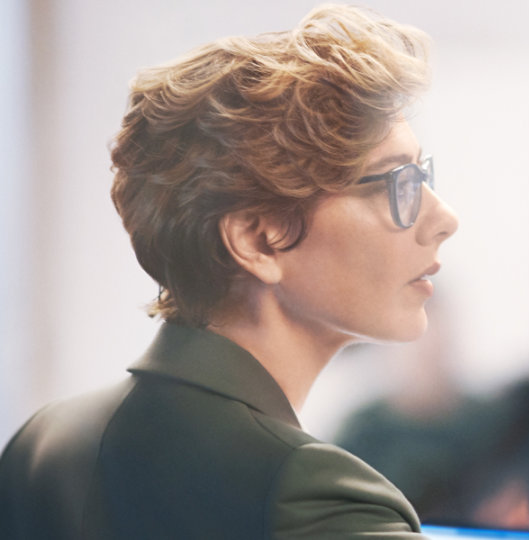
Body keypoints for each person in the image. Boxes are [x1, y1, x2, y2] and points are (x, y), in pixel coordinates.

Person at [0, 4, 457, 539]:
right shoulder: (313, 492)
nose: (443, 219)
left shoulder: (44, 440)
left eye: (421, 175)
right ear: (257, 240)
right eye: (393, 183)